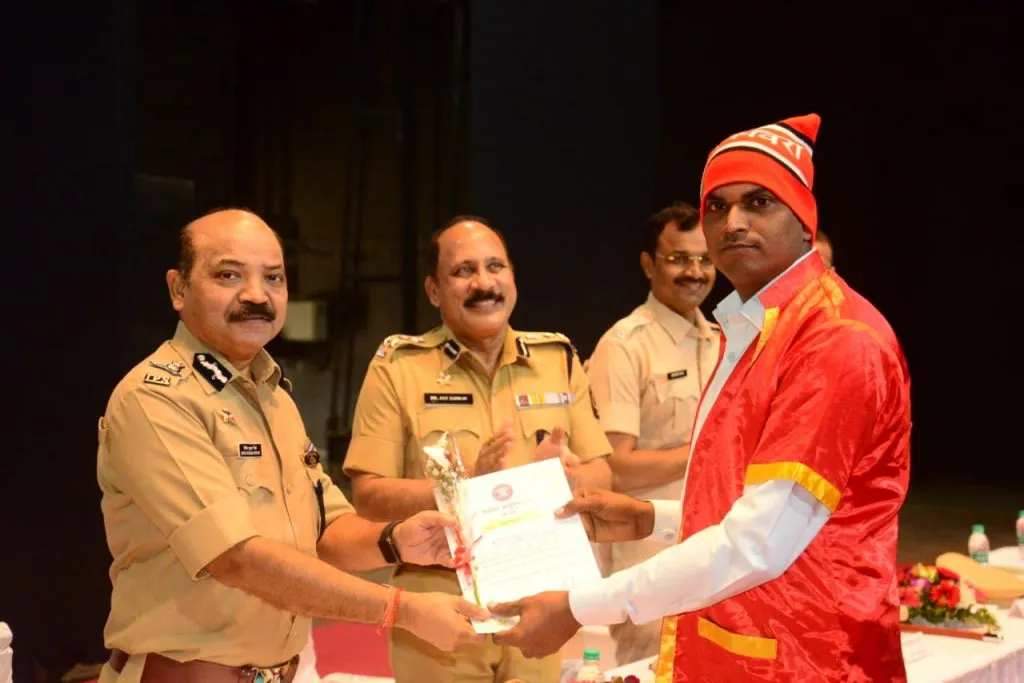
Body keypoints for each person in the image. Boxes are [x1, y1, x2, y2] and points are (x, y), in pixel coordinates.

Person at [491, 114, 912, 682]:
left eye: (759, 202)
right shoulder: (756, 328)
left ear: (804, 219)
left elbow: (756, 545)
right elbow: (754, 508)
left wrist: (576, 607)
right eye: (718, 205)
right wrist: (651, 517)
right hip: (749, 644)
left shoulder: (834, 341)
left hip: (811, 659)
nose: (732, 222)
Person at [96, 209, 489, 683]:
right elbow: (238, 558)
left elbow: (325, 530)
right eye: (228, 275)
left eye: (274, 278)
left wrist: (397, 540)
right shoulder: (155, 399)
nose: (256, 296)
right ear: (179, 289)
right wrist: (400, 609)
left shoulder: (274, 396)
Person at [342, 216, 613, 683]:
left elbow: (602, 477)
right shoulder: (399, 368)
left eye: (495, 267)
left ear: (512, 278)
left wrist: (558, 480)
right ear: (434, 290)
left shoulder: (558, 358)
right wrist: (464, 488)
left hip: (538, 606)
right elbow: (369, 496)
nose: (484, 283)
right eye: (464, 271)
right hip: (441, 610)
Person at [584, 200, 720, 664]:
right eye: (678, 258)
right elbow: (612, 469)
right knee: (654, 670)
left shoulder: (723, 340)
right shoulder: (624, 347)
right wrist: (706, 451)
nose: (694, 271)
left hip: (716, 544)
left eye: (704, 259)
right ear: (648, 264)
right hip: (648, 555)